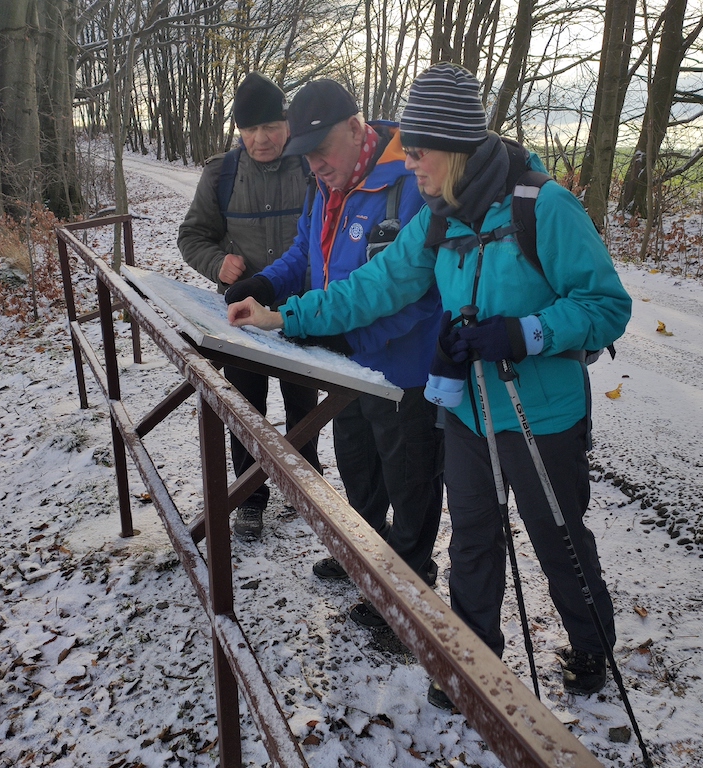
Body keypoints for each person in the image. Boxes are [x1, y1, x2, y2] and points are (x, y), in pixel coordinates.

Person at [227, 63, 632, 705]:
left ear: (455, 150)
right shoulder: (438, 218)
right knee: (473, 534)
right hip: (467, 407)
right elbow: (375, 286)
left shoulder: (543, 206)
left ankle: (590, 645)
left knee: (556, 534)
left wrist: (523, 332)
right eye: (407, 153)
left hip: (540, 414)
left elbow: (608, 306)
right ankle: (471, 662)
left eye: (418, 153)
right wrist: (283, 315)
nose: (410, 165)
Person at [223, 78, 445, 629]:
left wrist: (348, 339)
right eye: (308, 157)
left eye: (321, 154)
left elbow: (420, 293)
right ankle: (363, 560)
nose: (315, 167)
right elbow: (306, 250)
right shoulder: (326, 181)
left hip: (403, 372)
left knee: (409, 481)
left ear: (356, 128)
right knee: (357, 466)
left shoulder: (410, 183)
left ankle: (409, 591)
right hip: (343, 364)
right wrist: (267, 286)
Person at [178, 72, 321, 541]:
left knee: (306, 403)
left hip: (302, 311)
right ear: (238, 130)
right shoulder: (221, 174)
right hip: (242, 318)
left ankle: (306, 485)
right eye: (249, 128)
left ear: (287, 123)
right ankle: (250, 495)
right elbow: (191, 237)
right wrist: (218, 264)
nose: (261, 139)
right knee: (245, 407)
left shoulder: (312, 167)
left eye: (271, 126)